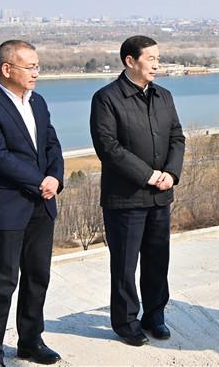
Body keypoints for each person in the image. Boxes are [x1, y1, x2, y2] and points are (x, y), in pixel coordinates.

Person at [0, 40, 64, 367]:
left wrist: (55, 178)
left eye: (37, 66)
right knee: (2, 285)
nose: (36, 72)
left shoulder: (38, 101)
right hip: (6, 208)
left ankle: (30, 342)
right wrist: (39, 181)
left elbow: (52, 144)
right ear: (7, 69)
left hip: (42, 204)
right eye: (30, 67)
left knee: (38, 277)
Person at [90, 35, 185, 346]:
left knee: (158, 260)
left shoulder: (163, 96)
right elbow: (108, 147)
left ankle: (155, 316)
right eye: (151, 58)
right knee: (125, 265)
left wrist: (171, 173)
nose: (157, 64)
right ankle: (126, 322)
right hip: (125, 198)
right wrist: (148, 175)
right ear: (130, 61)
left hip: (160, 196)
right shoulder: (107, 98)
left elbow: (177, 137)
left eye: (158, 58)